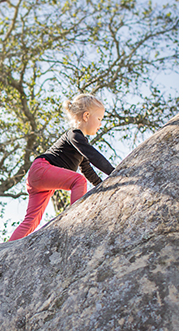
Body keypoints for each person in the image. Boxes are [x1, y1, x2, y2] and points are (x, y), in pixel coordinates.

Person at [9, 94, 115, 241]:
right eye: (99, 119)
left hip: (40, 178)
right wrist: (114, 172)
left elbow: (88, 170)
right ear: (86, 116)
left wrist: (104, 185)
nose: (100, 124)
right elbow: (92, 155)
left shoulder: (79, 145)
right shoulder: (75, 135)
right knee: (78, 181)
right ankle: (76, 222)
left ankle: (5, 248)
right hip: (41, 169)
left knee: (31, 221)